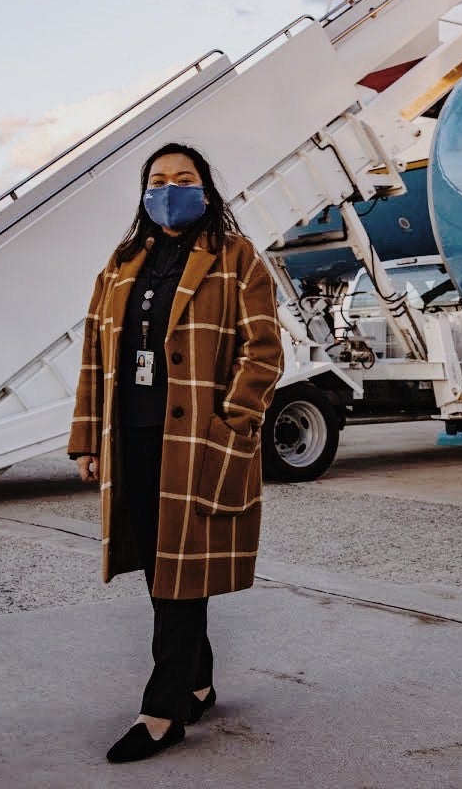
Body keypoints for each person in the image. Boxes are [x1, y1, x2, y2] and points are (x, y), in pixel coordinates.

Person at [68, 143, 283, 764]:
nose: (170, 188)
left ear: (207, 190)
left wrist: (233, 422)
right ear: (144, 192)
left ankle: (162, 712)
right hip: (131, 437)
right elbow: (94, 352)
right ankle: (198, 681)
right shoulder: (122, 261)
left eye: (183, 178)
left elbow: (263, 350)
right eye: (158, 180)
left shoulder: (237, 259)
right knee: (164, 566)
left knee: (179, 569)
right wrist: (87, 438)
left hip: (195, 441)